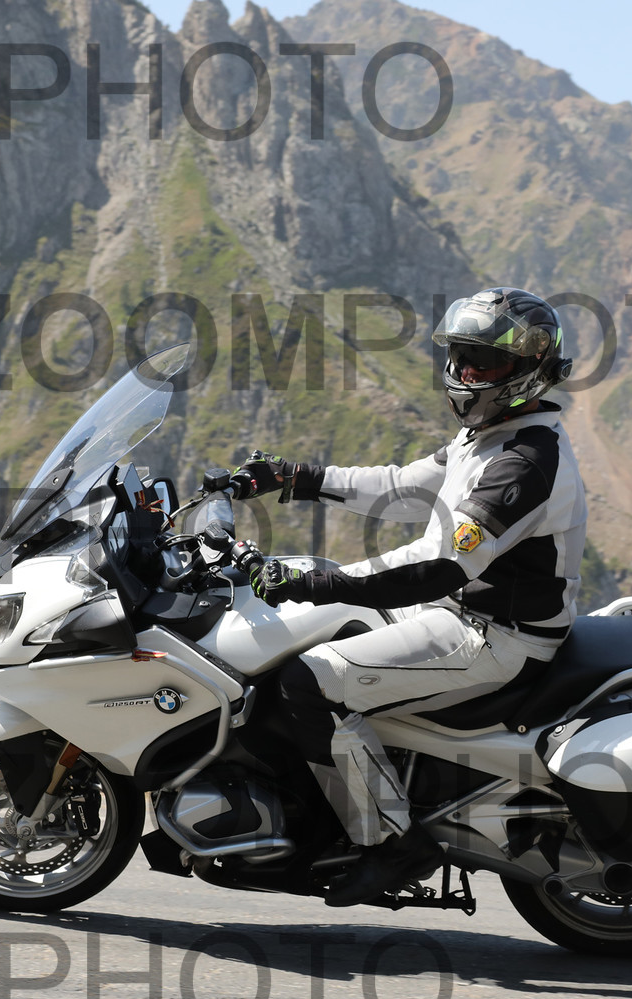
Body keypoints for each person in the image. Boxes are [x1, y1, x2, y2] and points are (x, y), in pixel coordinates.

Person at [236, 287, 587, 907]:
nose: (467, 373)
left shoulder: (525, 461)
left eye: (486, 362)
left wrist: (313, 582)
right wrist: (295, 477)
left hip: (493, 635)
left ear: (528, 370)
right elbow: (401, 487)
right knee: (326, 625)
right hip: (460, 613)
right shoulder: (488, 437)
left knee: (308, 681)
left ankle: (392, 843)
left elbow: (438, 566)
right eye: (462, 358)